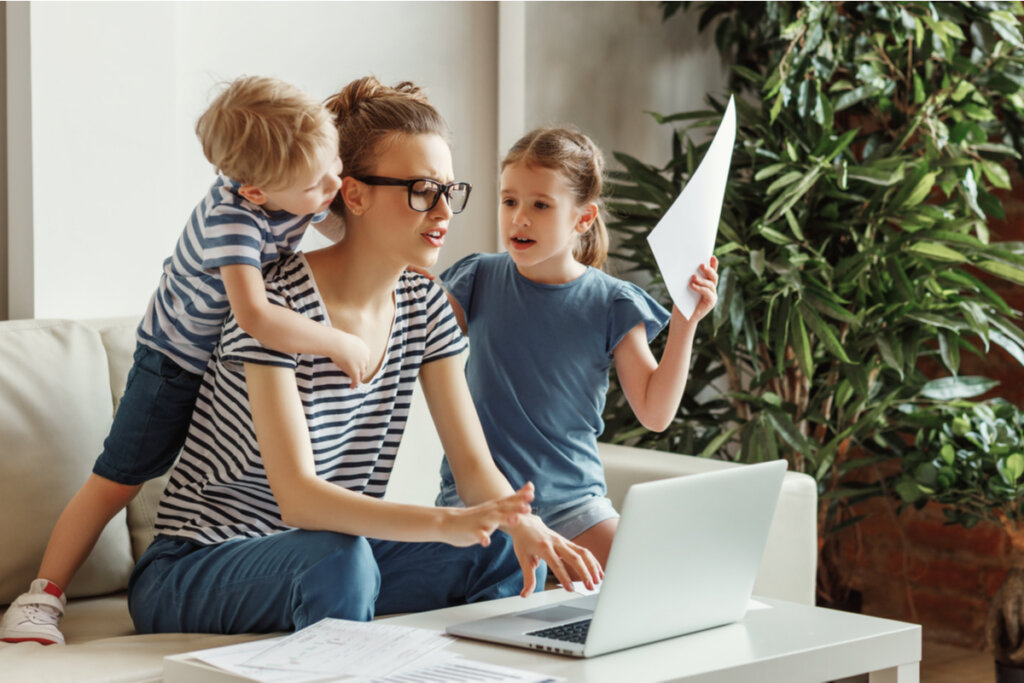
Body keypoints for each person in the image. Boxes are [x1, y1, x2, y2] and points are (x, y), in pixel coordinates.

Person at [125, 77, 601, 635]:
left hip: (324, 556)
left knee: (498, 548)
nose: (444, 209)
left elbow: (474, 469)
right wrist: (446, 521)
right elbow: (299, 500)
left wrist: (522, 523)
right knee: (338, 558)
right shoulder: (275, 302)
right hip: (197, 565)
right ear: (354, 194)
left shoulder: (425, 304)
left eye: (451, 189)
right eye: (423, 189)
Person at [0, 75, 370, 645]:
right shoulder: (232, 221)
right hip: (173, 365)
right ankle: (40, 596)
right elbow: (255, 316)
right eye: (315, 185)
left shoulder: (294, 185)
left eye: (336, 164)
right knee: (117, 480)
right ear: (253, 192)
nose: (334, 185)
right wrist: (338, 341)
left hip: (221, 367)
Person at [435, 126, 719, 569]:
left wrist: (686, 322)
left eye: (540, 205)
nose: (519, 218)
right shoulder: (476, 279)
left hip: (575, 508)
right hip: (480, 505)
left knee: (649, 577)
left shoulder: (613, 303)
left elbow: (655, 412)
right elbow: (406, 342)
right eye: (509, 201)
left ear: (582, 219)